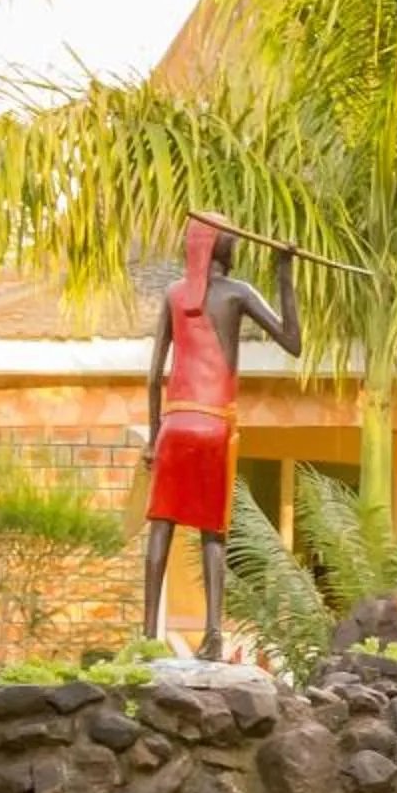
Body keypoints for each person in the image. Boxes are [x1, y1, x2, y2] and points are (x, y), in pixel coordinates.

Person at [143, 211, 300, 657]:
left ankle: (145, 636)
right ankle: (214, 635)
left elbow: (155, 374)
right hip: (213, 423)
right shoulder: (238, 294)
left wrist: (154, 439)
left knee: (161, 527)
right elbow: (293, 341)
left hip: (174, 424)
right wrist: (284, 273)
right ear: (219, 247)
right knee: (213, 531)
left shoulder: (175, 294)